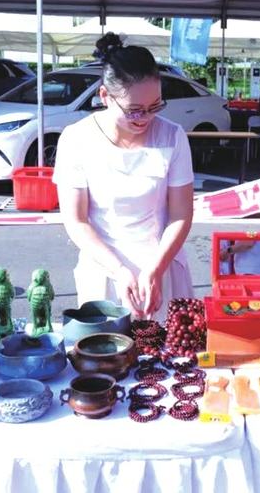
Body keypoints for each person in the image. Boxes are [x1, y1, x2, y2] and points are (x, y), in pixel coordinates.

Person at [53, 32, 195, 321]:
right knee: (109, 344)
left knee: (162, 346)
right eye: (134, 110)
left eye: (155, 106)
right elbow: (76, 220)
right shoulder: (76, 139)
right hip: (104, 268)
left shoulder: (172, 136)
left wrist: (156, 269)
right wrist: (119, 270)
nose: (146, 118)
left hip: (161, 267)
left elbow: (181, 214)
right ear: (105, 96)